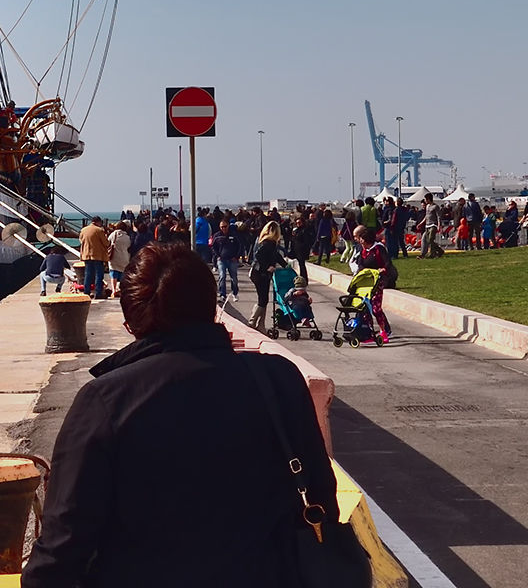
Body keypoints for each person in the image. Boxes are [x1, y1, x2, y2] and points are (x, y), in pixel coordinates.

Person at [24, 244, 337, 587]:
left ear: (130, 326)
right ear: (212, 308)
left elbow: (63, 549)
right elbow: (322, 496)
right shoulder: (278, 378)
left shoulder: (105, 402)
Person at [249, 220, 286, 332]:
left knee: (264, 298)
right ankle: (252, 321)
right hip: (260, 273)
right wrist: (266, 267)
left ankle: (261, 324)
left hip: (260, 273)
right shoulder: (268, 242)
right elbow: (258, 255)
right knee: (263, 298)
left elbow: (276, 256)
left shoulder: (268, 242)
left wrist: (285, 264)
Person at [78, 216, 113, 298]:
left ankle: (86, 292)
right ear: (98, 222)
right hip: (97, 255)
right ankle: (98, 293)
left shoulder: (83, 230)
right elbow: (106, 243)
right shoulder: (99, 230)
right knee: (99, 275)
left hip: (86, 255)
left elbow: (80, 240)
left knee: (88, 274)